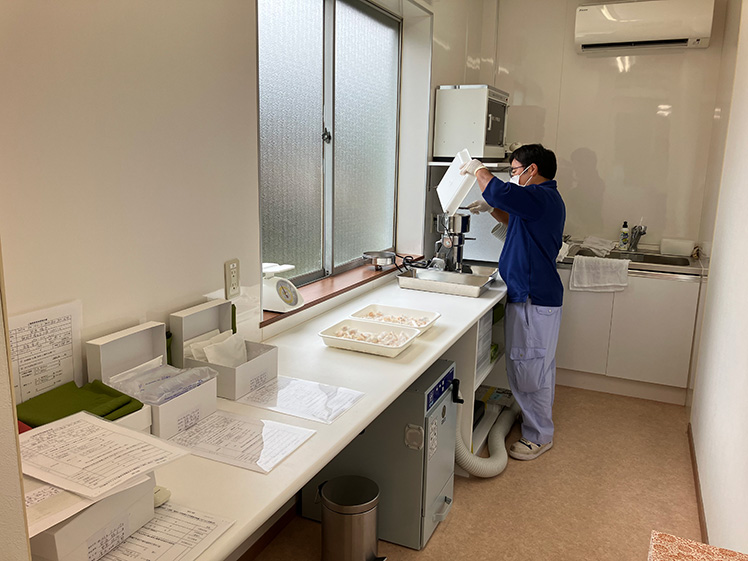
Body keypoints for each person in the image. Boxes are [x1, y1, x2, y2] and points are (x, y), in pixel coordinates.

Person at [460, 144, 565, 461]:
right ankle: (535, 421)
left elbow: (499, 191)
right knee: (536, 365)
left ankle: (538, 436)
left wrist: (478, 169)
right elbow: (512, 219)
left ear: (532, 170)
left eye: (515, 170)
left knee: (529, 368)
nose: (512, 175)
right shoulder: (541, 200)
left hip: (533, 297)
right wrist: (490, 209)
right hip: (533, 294)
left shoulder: (540, 196)